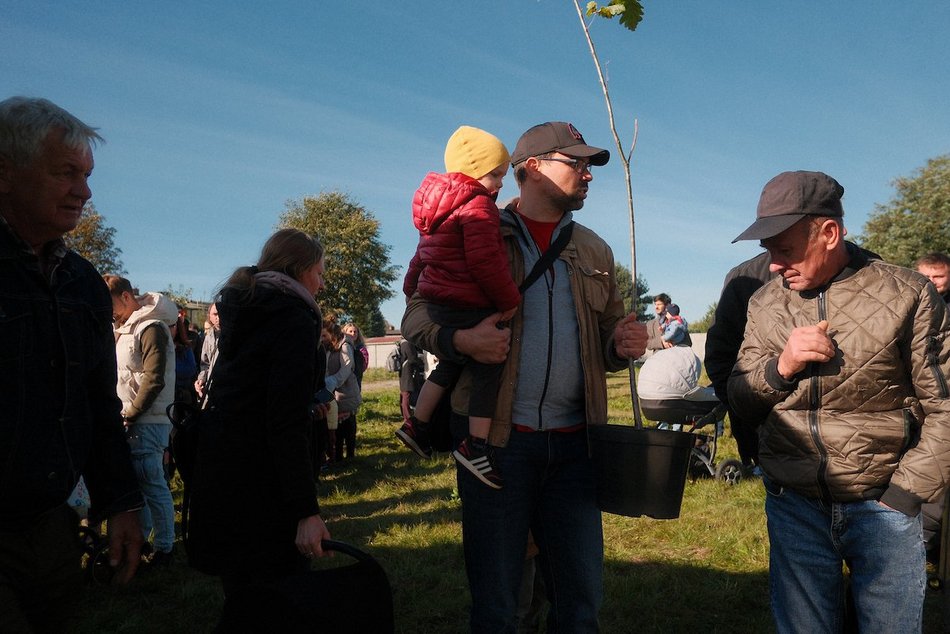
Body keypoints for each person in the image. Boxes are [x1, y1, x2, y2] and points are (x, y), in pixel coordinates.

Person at [401, 120, 649, 631]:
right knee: (497, 602)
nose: (587, 174)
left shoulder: (596, 251)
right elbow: (416, 315)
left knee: (580, 601)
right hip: (495, 449)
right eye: (575, 163)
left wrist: (620, 346)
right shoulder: (469, 223)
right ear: (532, 167)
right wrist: (461, 341)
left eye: (589, 165)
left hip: (578, 449)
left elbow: (606, 338)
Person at [728, 170, 950, 633]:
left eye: (784, 249)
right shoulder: (765, 304)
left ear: (829, 233)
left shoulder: (909, 294)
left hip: (884, 505)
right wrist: (781, 367)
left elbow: (945, 407)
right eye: (767, 250)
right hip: (793, 506)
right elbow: (740, 398)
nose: (772, 264)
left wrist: (904, 494)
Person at [0, 96, 144, 630]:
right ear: (5, 173)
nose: (84, 191)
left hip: (52, 526)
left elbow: (95, 403)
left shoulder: (82, 282)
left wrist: (121, 502)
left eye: (86, 174)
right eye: (65, 173)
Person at [196, 228, 332, 627]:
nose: (322, 284)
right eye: (320, 273)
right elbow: (284, 422)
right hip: (265, 484)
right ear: (299, 269)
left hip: (223, 475)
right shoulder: (292, 316)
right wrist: (305, 511)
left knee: (242, 599)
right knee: (279, 603)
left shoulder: (246, 308)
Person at [396, 125, 521, 489]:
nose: (500, 183)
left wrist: (410, 288)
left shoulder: (436, 207)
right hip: (469, 300)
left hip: (438, 300)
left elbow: (420, 257)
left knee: (449, 363)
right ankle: (476, 446)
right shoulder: (478, 206)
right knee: (489, 362)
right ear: (473, 170)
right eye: (495, 174)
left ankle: (417, 424)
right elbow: (486, 262)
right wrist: (509, 299)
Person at [105, 275, 179, 567]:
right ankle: (145, 540)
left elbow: (154, 378)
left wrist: (132, 413)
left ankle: (165, 547)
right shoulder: (125, 329)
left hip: (148, 418)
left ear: (125, 297)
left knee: (152, 480)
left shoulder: (150, 327)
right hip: (133, 416)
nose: (108, 311)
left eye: (110, 303)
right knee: (142, 484)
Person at [704, 252, 772, 471]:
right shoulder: (744, 277)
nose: (780, 265)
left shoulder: (868, 274)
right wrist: (748, 421)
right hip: (769, 447)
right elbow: (721, 356)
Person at [325, 320, 362, 460]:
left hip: (346, 391)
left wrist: (333, 380)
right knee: (337, 424)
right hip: (335, 391)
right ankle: (339, 455)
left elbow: (347, 367)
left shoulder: (345, 345)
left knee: (348, 423)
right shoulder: (330, 347)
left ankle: (350, 455)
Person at [194, 302, 220, 399]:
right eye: (215, 314)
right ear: (210, 316)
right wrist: (201, 380)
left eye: (220, 313)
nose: (218, 317)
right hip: (211, 390)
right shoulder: (209, 337)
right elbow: (205, 364)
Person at [342, 321, 368, 388]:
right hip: (341, 379)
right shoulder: (341, 347)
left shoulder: (361, 349)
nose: (353, 333)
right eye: (350, 331)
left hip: (356, 379)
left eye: (355, 331)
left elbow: (364, 366)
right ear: (345, 333)